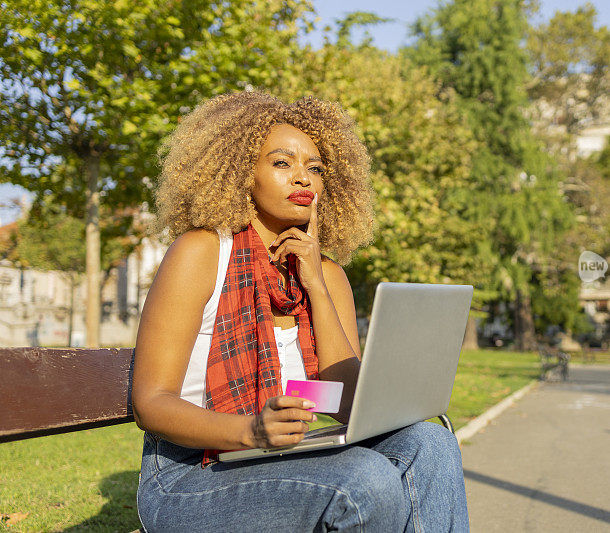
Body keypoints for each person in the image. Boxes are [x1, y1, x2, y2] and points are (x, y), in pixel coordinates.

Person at [132, 91, 469, 532]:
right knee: (365, 483)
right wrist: (252, 431)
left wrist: (315, 284)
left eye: (315, 167)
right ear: (240, 173)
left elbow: (345, 404)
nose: (303, 179)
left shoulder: (325, 275)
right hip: (190, 475)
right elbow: (150, 403)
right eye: (282, 163)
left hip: (282, 457)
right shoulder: (202, 252)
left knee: (432, 443)